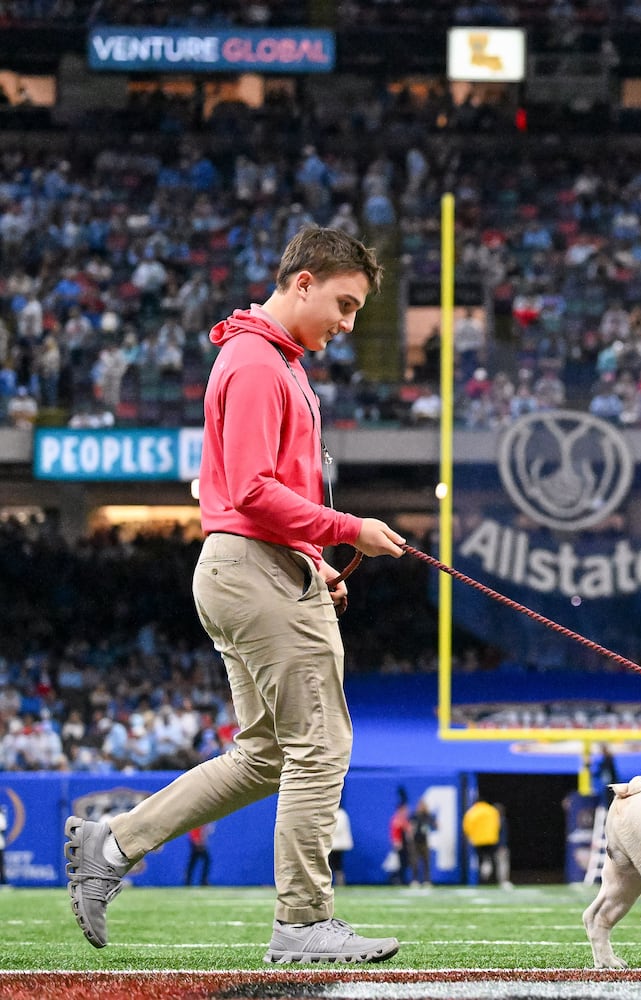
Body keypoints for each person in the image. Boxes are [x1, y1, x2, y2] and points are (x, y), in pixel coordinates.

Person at [63, 227, 407, 964]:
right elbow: (253, 490)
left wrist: (315, 558)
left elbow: (257, 491)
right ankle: (303, 924)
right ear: (304, 281)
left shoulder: (266, 357)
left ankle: (113, 841)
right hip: (252, 568)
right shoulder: (256, 363)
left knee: (266, 755)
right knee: (322, 746)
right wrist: (350, 529)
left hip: (253, 567)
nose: (347, 325)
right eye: (344, 305)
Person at [462, 796, 501, 886]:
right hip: (491, 839)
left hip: (478, 840)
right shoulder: (492, 810)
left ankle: (482, 881)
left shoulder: (473, 811)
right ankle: (494, 880)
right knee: (493, 860)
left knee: (480, 861)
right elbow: (498, 824)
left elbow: (467, 826)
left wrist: (470, 837)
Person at [409, 798, 435, 887]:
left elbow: (435, 825)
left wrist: (434, 825)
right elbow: (409, 827)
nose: (421, 807)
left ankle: (427, 880)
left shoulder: (428, 816)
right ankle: (415, 880)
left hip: (425, 841)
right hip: (415, 841)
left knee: (426, 862)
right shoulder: (414, 816)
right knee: (414, 862)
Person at [330, 804, 352, 887]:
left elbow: (337, 829)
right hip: (334, 844)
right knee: (335, 865)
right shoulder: (339, 813)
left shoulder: (340, 814)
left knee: (336, 865)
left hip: (336, 845)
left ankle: (340, 882)